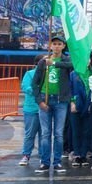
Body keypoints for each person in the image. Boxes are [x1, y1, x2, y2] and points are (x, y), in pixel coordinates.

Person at [32, 37, 72, 173]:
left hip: (61, 101)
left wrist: (54, 64)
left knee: (59, 133)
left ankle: (57, 162)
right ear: (50, 45)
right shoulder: (43, 62)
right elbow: (35, 82)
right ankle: (44, 162)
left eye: (59, 44)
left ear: (63, 46)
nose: (56, 47)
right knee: (45, 133)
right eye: (54, 44)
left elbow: (72, 66)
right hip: (45, 98)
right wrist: (39, 101)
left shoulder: (66, 60)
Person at [18, 57, 42, 166]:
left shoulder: (49, 74)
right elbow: (26, 87)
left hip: (45, 108)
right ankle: (26, 155)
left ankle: (43, 156)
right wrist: (38, 92)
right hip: (31, 108)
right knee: (30, 133)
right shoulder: (29, 74)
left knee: (44, 135)